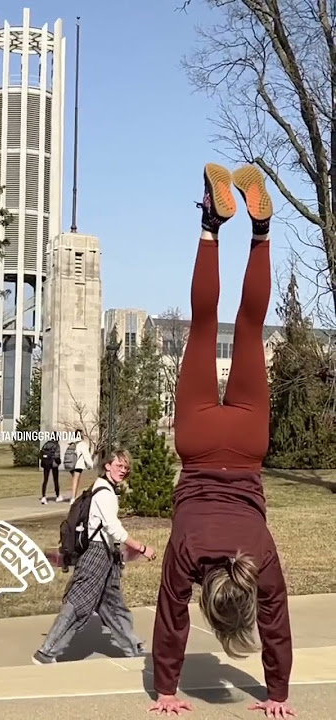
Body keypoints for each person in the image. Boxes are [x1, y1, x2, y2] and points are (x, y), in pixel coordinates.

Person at [150, 164, 295, 718]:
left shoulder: (259, 558)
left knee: (251, 326)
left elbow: (277, 622)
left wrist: (278, 694)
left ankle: (260, 234)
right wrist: (167, 688)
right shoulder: (186, 554)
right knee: (205, 324)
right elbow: (170, 616)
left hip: (248, 441)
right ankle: (212, 224)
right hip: (198, 439)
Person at [32, 449, 156, 664]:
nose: (123, 471)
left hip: (107, 553)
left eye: (126, 467)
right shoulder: (104, 492)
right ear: (107, 466)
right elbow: (113, 527)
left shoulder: (103, 488)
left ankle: (132, 647)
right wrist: (142, 548)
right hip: (96, 553)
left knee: (112, 604)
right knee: (79, 603)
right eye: (119, 466)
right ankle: (47, 651)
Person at [67, 430, 94, 504]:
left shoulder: (71, 443)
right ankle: (73, 498)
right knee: (76, 481)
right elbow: (86, 456)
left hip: (70, 464)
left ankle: (73, 496)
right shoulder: (82, 444)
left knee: (74, 481)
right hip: (78, 465)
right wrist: (91, 465)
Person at [39, 438, 62, 504]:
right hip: (54, 464)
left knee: (45, 480)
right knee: (56, 480)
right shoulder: (56, 445)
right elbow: (57, 456)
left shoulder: (46, 444)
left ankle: (43, 496)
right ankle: (57, 496)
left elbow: (41, 453)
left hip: (46, 463)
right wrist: (59, 462)